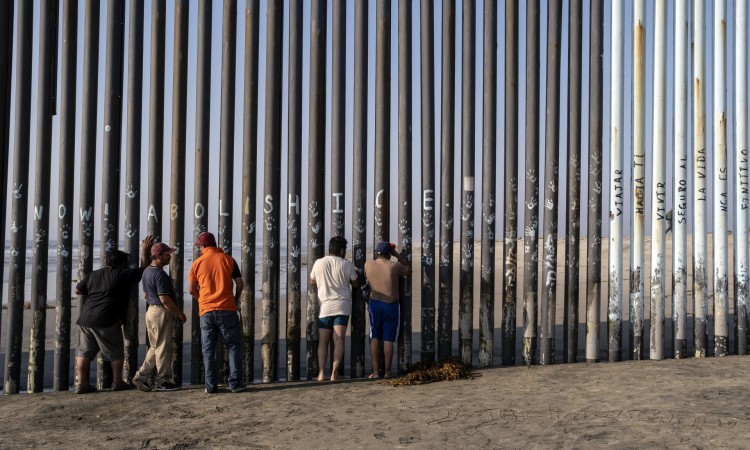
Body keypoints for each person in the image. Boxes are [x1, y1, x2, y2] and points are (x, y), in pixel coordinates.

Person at [73, 235, 154, 394]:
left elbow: (78, 290)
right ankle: (117, 382)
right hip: (106, 318)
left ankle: (81, 384)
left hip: (85, 318)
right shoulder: (122, 274)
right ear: (122, 263)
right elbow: (143, 270)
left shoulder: (93, 275)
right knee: (115, 350)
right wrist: (144, 250)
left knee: (84, 352)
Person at [188, 231, 246, 394]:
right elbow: (240, 283)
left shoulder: (197, 264)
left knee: (208, 349)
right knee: (233, 345)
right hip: (227, 308)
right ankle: (235, 384)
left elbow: (191, 289)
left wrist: (202, 300)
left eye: (199, 246)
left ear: (204, 246)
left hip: (206, 311)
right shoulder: (228, 260)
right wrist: (236, 298)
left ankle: (210, 386)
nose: (199, 249)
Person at [132, 242, 187, 392]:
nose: (169, 257)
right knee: (163, 347)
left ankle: (142, 375)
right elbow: (164, 298)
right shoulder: (160, 274)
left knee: (155, 346)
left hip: (151, 311)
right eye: (167, 254)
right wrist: (179, 313)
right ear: (158, 256)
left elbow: (145, 294)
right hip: (161, 311)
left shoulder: (146, 272)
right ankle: (163, 380)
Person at [308, 236, 363, 381]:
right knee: (339, 340)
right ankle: (334, 374)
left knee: (323, 341)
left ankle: (320, 374)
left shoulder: (319, 263)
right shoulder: (346, 264)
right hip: (342, 307)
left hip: (325, 307)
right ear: (342, 250)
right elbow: (356, 283)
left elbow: (312, 280)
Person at [364, 241, 412, 379]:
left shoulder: (368, 264)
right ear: (389, 254)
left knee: (374, 337)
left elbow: (367, 277)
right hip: (390, 305)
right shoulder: (394, 266)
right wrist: (398, 255)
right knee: (388, 339)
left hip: (374, 304)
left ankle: (375, 372)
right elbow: (408, 271)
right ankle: (388, 371)